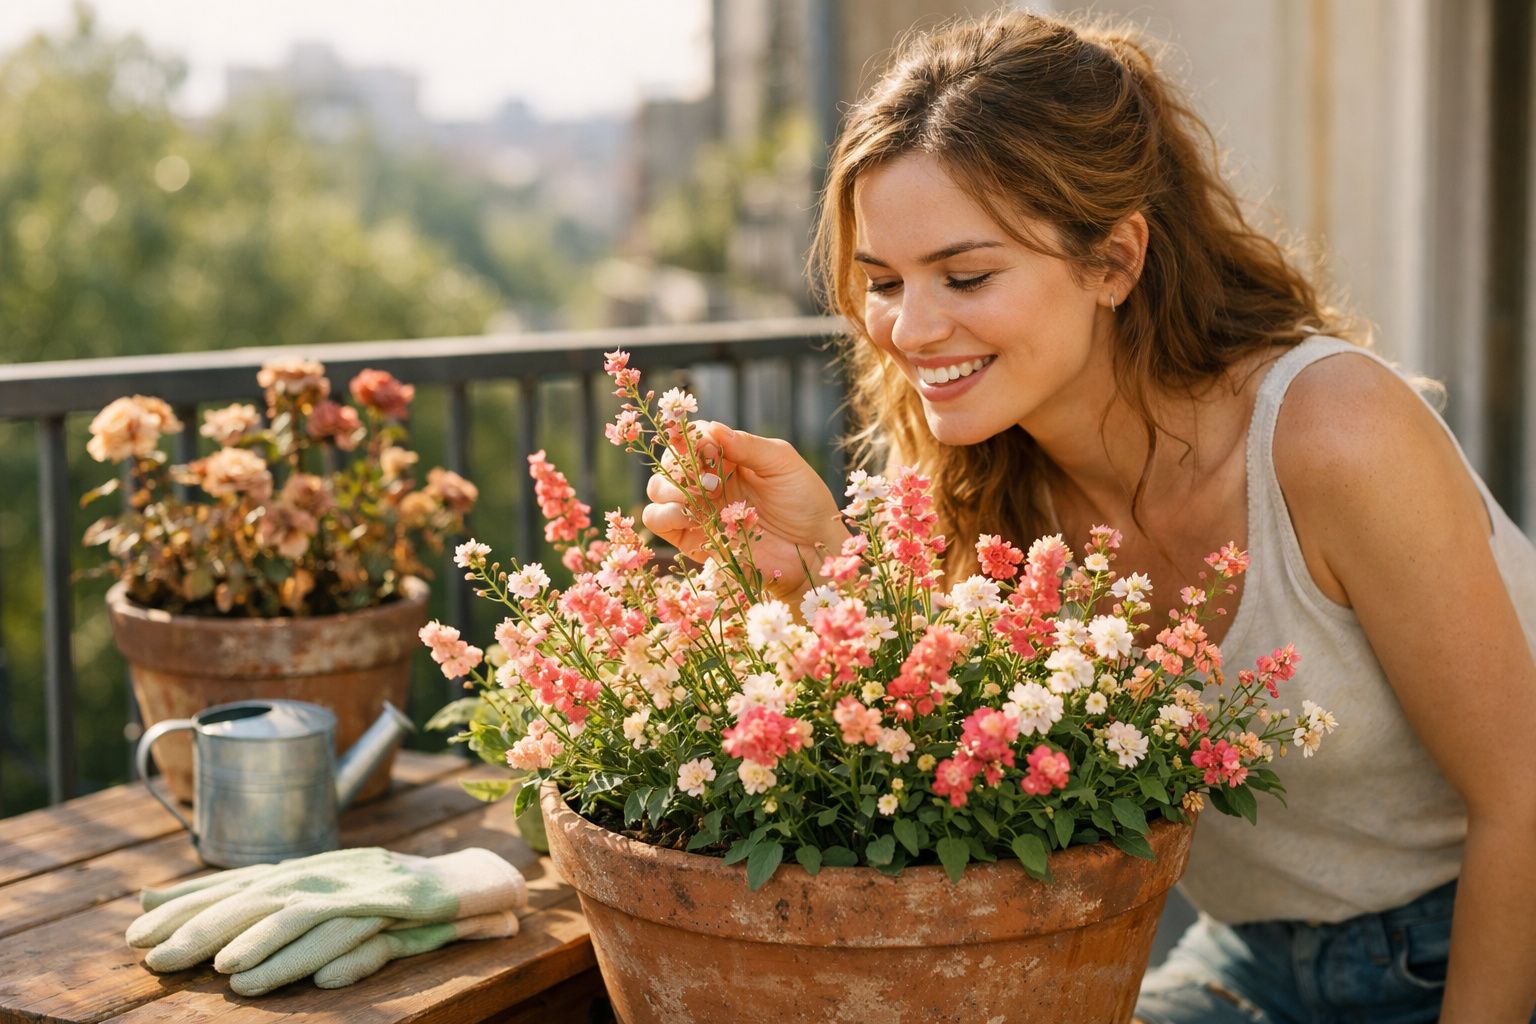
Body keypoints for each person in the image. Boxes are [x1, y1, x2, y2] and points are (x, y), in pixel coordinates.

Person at [642, 10, 1536, 1022]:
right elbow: (949, 776)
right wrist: (821, 570)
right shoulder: (980, 485)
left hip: (1495, 936)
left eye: (966, 274)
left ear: (1113, 261)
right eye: (883, 282)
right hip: (1255, 964)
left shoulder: (1334, 434)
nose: (910, 327)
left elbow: (1526, 802)